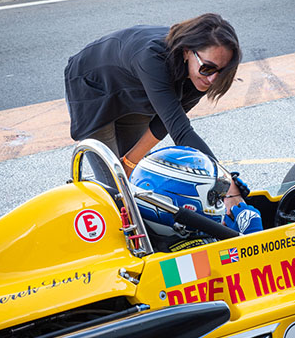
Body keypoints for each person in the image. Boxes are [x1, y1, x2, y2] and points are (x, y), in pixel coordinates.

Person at [64, 13, 241, 182]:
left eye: (221, 72)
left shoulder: (204, 73)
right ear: (187, 51)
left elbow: (166, 122)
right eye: (208, 68)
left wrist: (130, 162)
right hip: (93, 89)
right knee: (115, 186)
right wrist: (225, 180)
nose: (213, 79)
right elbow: (181, 132)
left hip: (136, 92)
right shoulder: (152, 56)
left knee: (137, 176)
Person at [130, 146, 263, 252]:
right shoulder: (185, 261)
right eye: (214, 198)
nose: (221, 203)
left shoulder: (144, 239)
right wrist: (253, 238)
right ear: (187, 204)